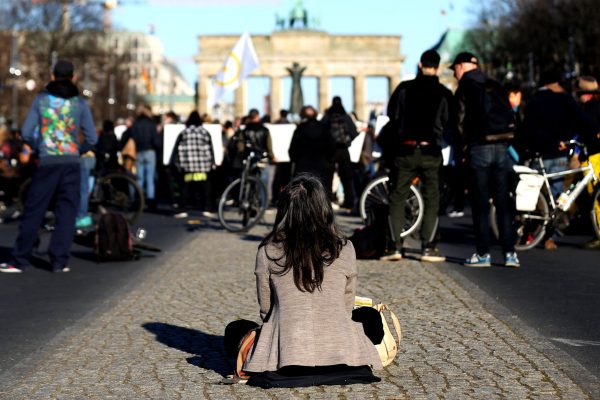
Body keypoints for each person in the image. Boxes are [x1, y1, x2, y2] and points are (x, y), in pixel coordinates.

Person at [239, 174, 382, 383]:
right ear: (324, 208)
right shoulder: (344, 247)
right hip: (341, 355)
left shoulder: (269, 250)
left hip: (287, 355)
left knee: (236, 330)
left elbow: (266, 309)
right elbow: (346, 305)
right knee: (369, 316)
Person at [0, 60, 97, 273]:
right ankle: (59, 261)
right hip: (71, 163)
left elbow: (26, 132)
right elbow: (92, 137)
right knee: (67, 212)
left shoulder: (41, 100)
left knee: (35, 209)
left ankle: (20, 259)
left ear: (52, 76)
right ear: (73, 78)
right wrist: (77, 150)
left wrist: (39, 148)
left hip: (47, 162)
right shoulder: (79, 104)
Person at [379, 50, 454, 262]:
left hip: (405, 150)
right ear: (437, 67)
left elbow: (392, 116)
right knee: (432, 198)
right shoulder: (443, 93)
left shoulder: (404, 89)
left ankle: (394, 247)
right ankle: (428, 248)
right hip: (431, 150)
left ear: (420, 65)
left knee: (397, 197)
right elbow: (449, 122)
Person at [451, 51, 519, 268]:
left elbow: (458, 124)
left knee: (480, 203)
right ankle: (510, 253)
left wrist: (462, 152)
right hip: (500, 146)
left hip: (478, 147)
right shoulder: (494, 84)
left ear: (461, 67)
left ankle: (483, 254)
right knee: (503, 201)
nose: (454, 74)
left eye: (454, 69)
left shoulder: (464, 88)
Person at [520, 68, 598, 250]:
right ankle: (549, 238)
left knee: (536, 196)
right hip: (560, 152)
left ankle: (528, 233)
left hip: (540, 152)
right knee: (556, 198)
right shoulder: (565, 99)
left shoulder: (534, 101)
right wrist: (592, 136)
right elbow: (582, 121)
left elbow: (527, 128)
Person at [573, 76, 600, 250]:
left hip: (592, 156)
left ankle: (598, 233)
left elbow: (585, 132)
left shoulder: (588, 110)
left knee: (596, 196)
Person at [172, 111, 215, 213]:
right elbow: (210, 148)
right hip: (203, 166)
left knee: (185, 187)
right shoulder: (204, 132)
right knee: (205, 187)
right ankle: (207, 208)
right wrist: (212, 162)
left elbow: (177, 149)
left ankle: (182, 209)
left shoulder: (184, 132)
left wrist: (177, 163)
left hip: (187, 166)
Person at [288, 105, 335, 195]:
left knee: (301, 195)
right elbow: (332, 148)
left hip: (303, 167)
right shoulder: (324, 128)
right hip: (322, 166)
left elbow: (292, 150)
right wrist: (329, 160)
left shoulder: (299, 129)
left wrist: (296, 160)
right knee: (323, 194)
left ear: (302, 115)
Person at [322, 96, 359, 211]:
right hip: (343, 149)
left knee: (328, 177)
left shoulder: (327, 117)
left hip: (330, 150)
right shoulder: (345, 116)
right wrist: (347, 141)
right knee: (347, 177)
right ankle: (349, 201)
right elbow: (354, 132)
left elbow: (321, 131)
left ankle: (327, 200)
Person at [122, 104, 158, 210]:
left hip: (138, 151)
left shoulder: (135, 124)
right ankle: (151, 201)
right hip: (150, 151)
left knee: (139, 178)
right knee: (150, 178)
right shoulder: (151, 124)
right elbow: (155, 140)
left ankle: (139, 200)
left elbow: (128, 136)